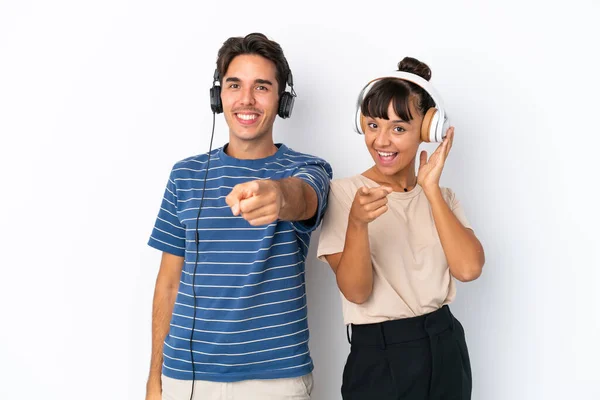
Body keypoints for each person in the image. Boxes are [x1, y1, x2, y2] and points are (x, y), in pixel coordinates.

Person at [145, 32, 332, 400]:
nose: (246, 99)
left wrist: (278, 196)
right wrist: (155, 379)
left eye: (262, 87)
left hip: (277, 382)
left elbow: (305, 198)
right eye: (234, 85)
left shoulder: (308, 168)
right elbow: (168, 284)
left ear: (283, 100)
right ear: (219, 96)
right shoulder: (185, 175)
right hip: (187, 378)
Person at [316, 57, 485, 400]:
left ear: (427, 130)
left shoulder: (443, 197)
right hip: (380, 356)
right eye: (373, 125)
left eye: (398, 128)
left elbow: (468, 269)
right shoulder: (346, 194)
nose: (382, 141)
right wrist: (357, 224)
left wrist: (432, 191)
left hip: (445, 345)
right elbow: (357, 292)